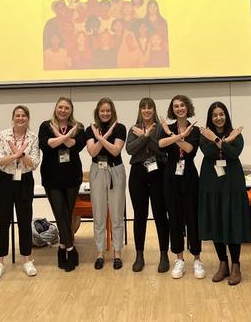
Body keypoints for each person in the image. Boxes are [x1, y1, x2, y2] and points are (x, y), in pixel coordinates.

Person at [198, 102, 251, 286]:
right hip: (211, 181)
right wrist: (223, 141)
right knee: (216, 220)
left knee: (232, 220)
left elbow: (234, 154)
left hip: (232, 182)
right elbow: (208, 152)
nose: (218, 118)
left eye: (221, 114)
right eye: (215, 115)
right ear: (210, 118)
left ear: (226, 116)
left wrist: (219, 141)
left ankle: (236, 265)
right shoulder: (204, 135)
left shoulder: (237, 134)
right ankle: (223, 263)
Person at [0, 105, 41, 279]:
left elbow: (34, 163)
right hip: (5, 180)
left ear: (28, 118)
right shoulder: (3, 135)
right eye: (17, 115)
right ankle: (0, 262)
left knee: (25, 220)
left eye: (23, 115)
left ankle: (27, 259)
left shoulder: (33, 137)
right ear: (13, 118)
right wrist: (15, 154)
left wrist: (21, 155)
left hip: (24, 180)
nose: (20, 118)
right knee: (2, 221)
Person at [159, 95, 205, 279]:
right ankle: (179, 259)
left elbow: (189, 149)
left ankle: (197, 258)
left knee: (192, 216)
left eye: (182, 105)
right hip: (171, 176)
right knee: (175, 217)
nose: (179, 108)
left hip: (190, 176)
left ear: (188, 107)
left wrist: (172, 137)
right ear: (173, 109)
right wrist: (176, 136)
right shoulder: (168, 127)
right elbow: (161, 144)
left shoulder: (195, 129)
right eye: (176, 106)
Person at [39, 96, 86, 271]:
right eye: (60, 107)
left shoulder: (78, 127)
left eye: (67, 108)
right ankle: (71, 250)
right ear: (56, 108)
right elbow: (47, 145)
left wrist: (59, 136)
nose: (63, 110)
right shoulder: (45, 126)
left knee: (67, 213)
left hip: (72, 177)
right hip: (52, 177)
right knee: (59, 212)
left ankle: (62, 247)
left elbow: (76, 145)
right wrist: (65, 137)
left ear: (71, 110)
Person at [126, 98, 170, 273]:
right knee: (140, 215)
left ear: (154, 110)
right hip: (138, 174)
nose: (146, 110)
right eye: (143, 108)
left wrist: (146, 137)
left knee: (160, 214)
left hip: (158, 172)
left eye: (149, 107)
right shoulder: (134, 128)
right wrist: (143, 136)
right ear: (140, 110)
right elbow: (130, 149)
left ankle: (164, 255)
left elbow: (162, 149)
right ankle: (139, 255)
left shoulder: (161, 129)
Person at [85, 98, 127, 269]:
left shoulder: (120, 128)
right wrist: (100, 138)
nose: (105, 113)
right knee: (99, 215)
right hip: (97, 171)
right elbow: (92, 152)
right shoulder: (90, 129)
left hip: (115, 171)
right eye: (102, 110)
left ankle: (117, 253)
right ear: (97, 112)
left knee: (116, 215)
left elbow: (115, 151)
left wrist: (103, 137)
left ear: (112, 112)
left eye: (108, 110)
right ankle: (100, 252)